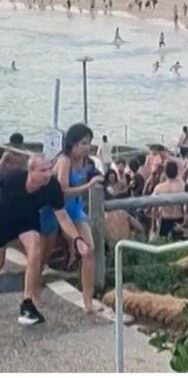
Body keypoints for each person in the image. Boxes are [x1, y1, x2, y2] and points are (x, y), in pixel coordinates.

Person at [0, 155, 90, 325]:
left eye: (50, 169)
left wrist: (77, 238)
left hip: (27, 221)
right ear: (31, 171)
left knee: (36, 251)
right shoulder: (11, 178)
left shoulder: (52, 187)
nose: (48, 174)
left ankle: (27, 304)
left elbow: (62, 217)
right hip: (3, 220)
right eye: (43, 171)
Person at [39, 124, 103, 313]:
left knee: (89, 250)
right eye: (83, 143)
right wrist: (88, 186)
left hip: (74, 209)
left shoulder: (84, 162)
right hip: (55, 208)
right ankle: (33, 288)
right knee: (43, 253)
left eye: (89, 143)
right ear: (73, 144)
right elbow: (63, 191)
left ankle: (88, 301)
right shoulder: (65, 161)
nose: (87, 147)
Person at [151, 161, 186, 240]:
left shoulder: (159, 188)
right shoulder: (182, 187)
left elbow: (154, 209)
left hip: (165, 219)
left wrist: (153, 226)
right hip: (179, 218)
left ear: (165, 173)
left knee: (165, 244)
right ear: (177, 172)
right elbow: (186, 206)